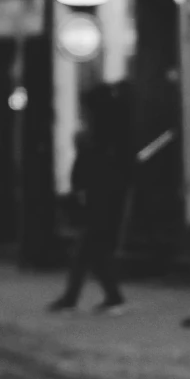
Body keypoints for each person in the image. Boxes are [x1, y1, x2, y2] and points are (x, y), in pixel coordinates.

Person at [51, 88, 131, 313]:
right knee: (93, 252)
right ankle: (108, 295)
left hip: (100, 199)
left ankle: (77, 298)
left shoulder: (99, 137)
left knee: (88, 250)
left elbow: (89, 168)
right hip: (102, 198)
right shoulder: (108, 135)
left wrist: (81, 188)